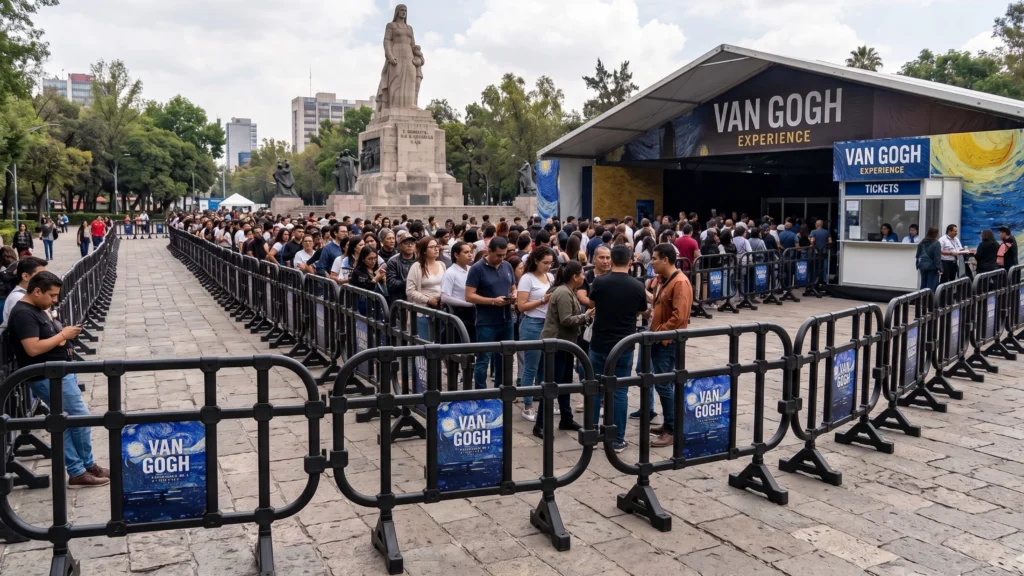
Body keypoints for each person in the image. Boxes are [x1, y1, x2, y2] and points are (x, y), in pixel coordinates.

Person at [8, 271, 109, 486]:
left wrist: (62, 335)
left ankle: (84, 467)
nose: (55, 300)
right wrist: (63, 336)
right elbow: (33, 348)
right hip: (48, 376)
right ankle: (79, 469)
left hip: (58, 372)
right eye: (51, 295)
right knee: (79, 418)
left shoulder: (37, 308)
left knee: (68, 421)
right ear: (36, 291)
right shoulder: (24, 314)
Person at [589, 245, 647, 453]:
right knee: (620, 391)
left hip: (600, 343)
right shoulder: (637, 285)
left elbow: (592, 300)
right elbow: (642, 309)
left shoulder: (600, 282)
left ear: (611, 261)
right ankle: (617, 438)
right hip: (625, 344)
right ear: (631, 262)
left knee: (594, 389)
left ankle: (593, 434)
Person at [534, 260, 590, 438]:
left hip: (565, 343)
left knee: (565, 381)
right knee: (552, 383)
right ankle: (540, 424)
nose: (584, 277)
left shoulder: (567, 290)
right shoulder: (564, 292)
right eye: (582, 274)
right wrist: (585, 316)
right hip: (557, 344)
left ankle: (566, 417)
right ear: (575, 277)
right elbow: (566, 319)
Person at [646, 244, 693, 447]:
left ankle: (673, 429)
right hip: (660, 338)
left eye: (655, 258)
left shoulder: (680, 282)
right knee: (664, 383)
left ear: (665, 259)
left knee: (664, 384)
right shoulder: (665, 280)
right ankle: (669, 423)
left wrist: (660, 330)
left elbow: (679, 316)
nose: (652, 262)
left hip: (667, 341)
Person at [465, 237, 516, 389]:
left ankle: (501, 391)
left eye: (504, 255)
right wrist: (493, 301)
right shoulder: (477, 268)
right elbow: (469, 296)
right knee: (483, 359)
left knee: (505, 358)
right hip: (486, 321)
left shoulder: (507, 266)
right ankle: (481, 393)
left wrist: (514, 294)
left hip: (506, 320)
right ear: (489, 251)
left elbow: (513, 286)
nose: (501, 258)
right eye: (498, 255)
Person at [516, 246, 555, 422]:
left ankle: (545, 402)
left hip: (548, 324)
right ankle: (528, 405)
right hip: (532, 323)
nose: (548, 266)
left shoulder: (551, 276)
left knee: (545, 367)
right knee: (530, 366)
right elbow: (521, 306)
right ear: (536, 261)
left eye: (550, 263)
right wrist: (541, 300)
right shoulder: (527, 278)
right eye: (545, 263)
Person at [406, 236, 446, 338]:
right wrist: (428, 300)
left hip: (441, 309)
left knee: (440, 342)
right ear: (424, 251)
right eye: (432, 247)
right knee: (424, 343)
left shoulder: (442, 265)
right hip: (423, 310)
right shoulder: (417, 266)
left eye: (437, 246)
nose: (436, 249)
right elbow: (410, 291)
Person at [441, 241, 476, 346]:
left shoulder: (472, 270)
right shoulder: (450, 273)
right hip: (459, 314)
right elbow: (445, 297)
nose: (470, 255)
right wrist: (468, 303)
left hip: (474, 314)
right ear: (456, 255)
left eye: (470, 252)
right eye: (466, 252)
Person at [0, 257, 47, 330]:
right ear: (25, 276)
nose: (44, 279)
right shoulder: (18, 298)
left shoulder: (25, 295)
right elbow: (26, 334)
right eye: (40, 275)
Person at [386, 234, 418, 303]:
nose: (410, 245)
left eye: (412, 243)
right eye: (406, 243)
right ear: (400, 245)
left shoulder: (419, 260)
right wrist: (411, 282)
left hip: (417, 299)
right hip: (400, 301)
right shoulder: (393, 261)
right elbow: (391, 284)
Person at [916, 226, 942, 291]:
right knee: (931, 285)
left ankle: (922, 298)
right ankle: (929, 299)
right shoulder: (936, 243)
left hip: (922, 265)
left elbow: (918, 254)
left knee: (923, 283)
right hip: (932, 266)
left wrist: (917, 264)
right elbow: (937, 257)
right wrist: (940, 268)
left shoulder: (922, 242)